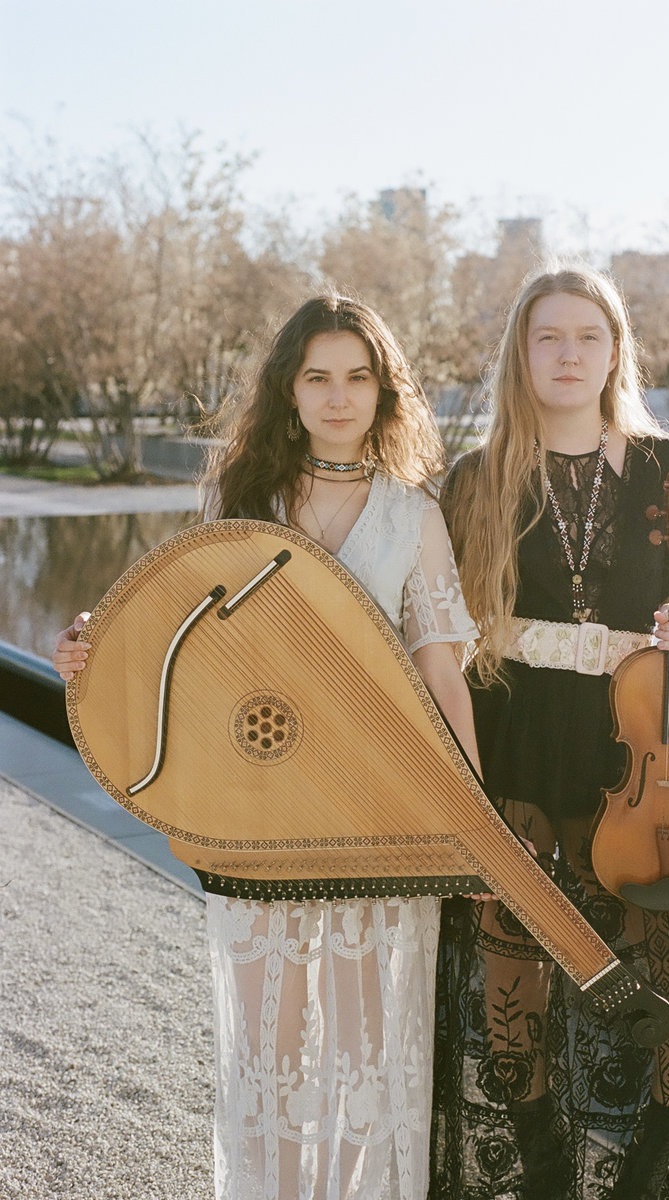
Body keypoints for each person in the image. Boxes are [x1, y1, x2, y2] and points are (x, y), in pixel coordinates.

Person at [53, 294, 482, 1200]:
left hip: (380, 808)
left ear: (383, 392)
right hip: (258, 808)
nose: (337, 397)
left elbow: (443, 680)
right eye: (316, 377)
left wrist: (471, 821)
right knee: (273, 1038)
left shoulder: (415, 517)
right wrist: (90, 647)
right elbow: (169, 638)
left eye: (356, 378)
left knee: (371, 1037)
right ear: (289, 392)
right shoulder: (243, 505)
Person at [430, 265, 669, 1200]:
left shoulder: (661, 464)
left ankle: (659, 1168)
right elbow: (437, 634)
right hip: (514, 746)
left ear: (615, 352)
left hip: (638, 759)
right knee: (514, 979)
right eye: (547, 337)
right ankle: (544, 1171)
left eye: (587, 337)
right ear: (518, 355)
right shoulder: (474, 477)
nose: (568, 355)